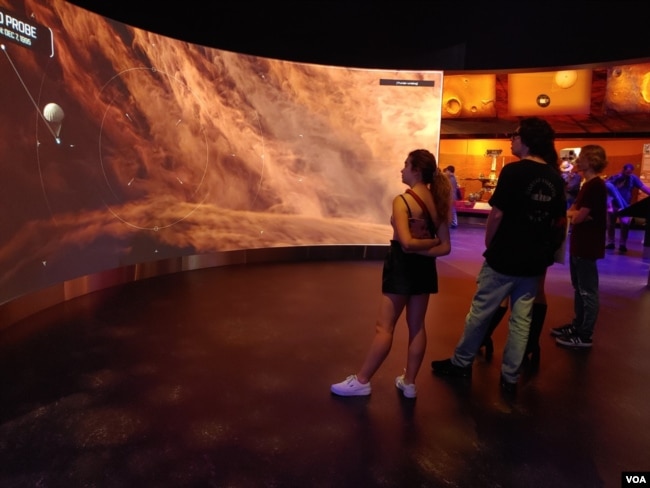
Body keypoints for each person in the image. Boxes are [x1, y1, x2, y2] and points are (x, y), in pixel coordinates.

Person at [431, 117, 566, 395]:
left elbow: (498, 213)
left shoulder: (514, 172)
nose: (512, 140)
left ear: (527, 139)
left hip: (504, 255)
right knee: (522, 319)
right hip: (534, 261)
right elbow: (560, 222)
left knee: (480, 312)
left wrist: (490, 243)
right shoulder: (555, 177)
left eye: (515, 135)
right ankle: (510, 376)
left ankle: (461, 363)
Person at [331, 149, 452, 398]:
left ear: (416, 170)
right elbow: (445, 246)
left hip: (402, 266)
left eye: (406, 165)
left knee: (384, 328)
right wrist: (429, 245)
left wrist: (419, 247)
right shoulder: (438, 202)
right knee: (417, 327)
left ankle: (362, 381)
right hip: (425, 268)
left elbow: (406, 243)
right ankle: (409, 383)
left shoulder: (402, 201)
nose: (401, 169)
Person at [551, 145, 608, 348]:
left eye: (582, 157)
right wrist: (575, 214)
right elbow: (575, 212)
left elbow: (577, 217)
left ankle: (585, 334)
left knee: (587, 290)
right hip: (581, 245)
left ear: (591, 160)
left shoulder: (595, 186)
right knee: (579, 288)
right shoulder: (587, 185)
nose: (577, 161)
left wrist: (575, 215)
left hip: (587, 245)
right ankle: (578, 325)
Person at [604, 163, 650, 253]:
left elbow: (643, 188)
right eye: (627, 172)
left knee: (625, 225)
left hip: (625, 206)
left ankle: (622, 244)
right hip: (613, 204)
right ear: (623, 170)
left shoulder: (633, 178)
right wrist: (608, 204)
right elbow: (607, 190)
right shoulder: (615, 177)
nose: (628, 174)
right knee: (610, 224)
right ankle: (610, 242)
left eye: (630, 172)